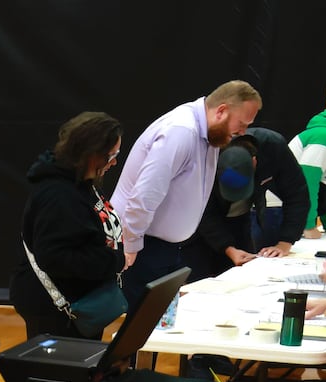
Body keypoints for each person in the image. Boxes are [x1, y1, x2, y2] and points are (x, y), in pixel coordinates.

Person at [110, 80, 262, 315]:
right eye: (241, 124)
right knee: (141, 328)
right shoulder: (180, 131)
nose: (243, 132)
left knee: (159, 327)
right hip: (142, 247)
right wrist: (130, 245)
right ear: (221, 111)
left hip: (164, 247)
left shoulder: (211, 134)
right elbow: (144, 195)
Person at [9, 111, 126, 339]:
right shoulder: (58, 195)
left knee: (82, 368)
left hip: (79, 300)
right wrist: (115, 261)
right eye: (112, 154)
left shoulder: (83, 182)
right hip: (55, 307)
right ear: (92, 153)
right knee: (60, 372)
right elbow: (55, 258)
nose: (115, 162)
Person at [187, 128, 309, 282]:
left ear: (254, 162)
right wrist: (229, 249)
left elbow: (297, 195)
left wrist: (285, 243)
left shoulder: (273, 147)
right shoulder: (208, 154)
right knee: (200, 283)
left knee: (244, 278)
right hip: (200, 228)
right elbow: (203, 211)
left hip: (240, 221)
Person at [289, 88, 326, 239]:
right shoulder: (322, 137)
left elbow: (325, 187)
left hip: (294, 208)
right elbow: (308, 182)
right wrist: (308, 225)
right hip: (278, 210)